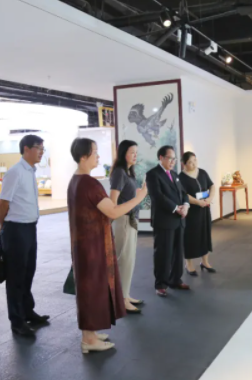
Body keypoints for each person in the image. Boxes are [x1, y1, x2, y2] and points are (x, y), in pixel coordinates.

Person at [67, 138, 148, 353]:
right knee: (91, 289)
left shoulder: (76, 181)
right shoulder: (88, 183)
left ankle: (90, 333)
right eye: (94, 152)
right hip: (92, 245)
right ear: (83, 156)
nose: (98, 156)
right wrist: (139, 197)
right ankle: (88, 339)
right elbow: (112, 211)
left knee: (89, 289)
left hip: (84, 244)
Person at [0, 134, 50, 337]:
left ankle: (28, 312)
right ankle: (17, 321)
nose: (41, 152)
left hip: (29, 228)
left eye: (43, 149)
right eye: (38, 148)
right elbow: (3, 203)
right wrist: (3, 228)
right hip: (16, 229)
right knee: (16, 277)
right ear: (26, 149)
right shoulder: (15, 172)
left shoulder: (30, 171)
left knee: (28, 272)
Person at [145, 145, 190, 297]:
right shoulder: (153, 174)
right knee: (163, 254)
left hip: (179, 220)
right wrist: (175, 208)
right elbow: (157, 196)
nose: (173, 162)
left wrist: (186, 206)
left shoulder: (174, 174)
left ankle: (175, 280)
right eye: (170, 158)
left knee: (178, 253)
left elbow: (183, 193)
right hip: (164, 221)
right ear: (161, 158)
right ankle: (161, 284)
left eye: (174, 159)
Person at [109, 140, 143, 313]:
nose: (135, 155)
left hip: (131, 220)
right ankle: (121, 299)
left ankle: (125, 295)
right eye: (132, 152)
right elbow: (113, 202)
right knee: (124, 260)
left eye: (136, 152)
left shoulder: (129, 173)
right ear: (123, 153)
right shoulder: (119, 173)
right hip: (123, 220)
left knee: (129, 260)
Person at [179, 152, 216, 276]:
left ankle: (205, 261)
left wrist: (209, 199)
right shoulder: (181, 177)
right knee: (190, 236)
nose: (194, 164)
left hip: (204, 209)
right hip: (191, 211)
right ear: (184, 164)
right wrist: (197, 202)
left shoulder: (202, 172)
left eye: (195, 160)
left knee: (205, 234)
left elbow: (212, 186)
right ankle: (189, 264)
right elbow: (183, 195)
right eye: (190, 162)